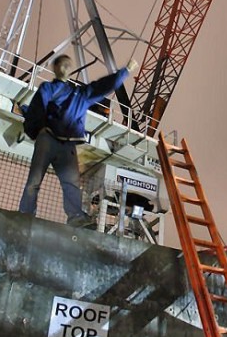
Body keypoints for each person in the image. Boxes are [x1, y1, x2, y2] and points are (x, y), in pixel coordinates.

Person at [19, 54, 138, 227]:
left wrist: (124, 72)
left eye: (67, 65)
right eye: (63, 65)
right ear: (61, 69)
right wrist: (125, 71)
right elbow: (104, 86)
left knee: (58, 183)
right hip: (61, 143)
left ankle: (30, 215)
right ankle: (62, 217)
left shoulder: (54, 90)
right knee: (56, 183)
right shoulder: (78, 94)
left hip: (54, 142)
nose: (65, 68)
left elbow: (36, 111)